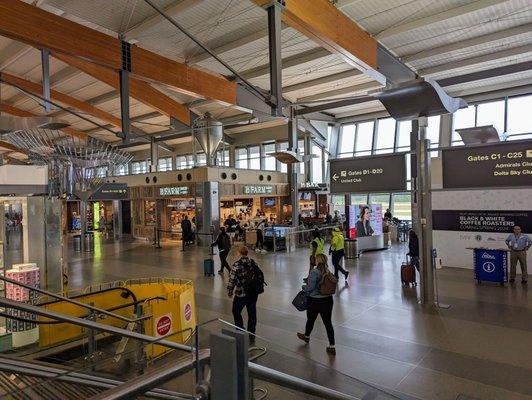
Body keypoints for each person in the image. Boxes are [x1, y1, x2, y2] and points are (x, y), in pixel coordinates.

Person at [297, 254, 336, 355]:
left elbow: (310, 287)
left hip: (314, 301)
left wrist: (303, 287)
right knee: (328, 323)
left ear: (317, 261)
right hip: (328, 300)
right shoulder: (327, 271)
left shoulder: (315, 271)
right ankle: (332, 346)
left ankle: (307, 336)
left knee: (311, 320)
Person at [227, 245, 263, 344]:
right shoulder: (253, 263)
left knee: (236, 311)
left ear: (239, 253)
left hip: (241, 294)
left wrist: (230, 291)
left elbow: (232, 280)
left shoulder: (236, 265)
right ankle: (252, 335)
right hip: (253, 293)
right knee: (252, 314)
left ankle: (240, 331)